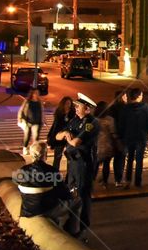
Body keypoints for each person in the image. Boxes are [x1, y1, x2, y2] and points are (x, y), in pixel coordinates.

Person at [14, 141, 82, 236]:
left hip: (27, 210)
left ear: (31, 155)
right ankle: (73, 232)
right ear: (45, 155)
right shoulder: (51, 171)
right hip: (46, 210)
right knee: (77, 202)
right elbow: (65, 194)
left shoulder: (21, 171)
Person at [56, 95, 100, 231]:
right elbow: (57, 136)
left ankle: (83, 225)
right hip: (72, 162)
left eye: (78, 106)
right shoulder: (75, 120)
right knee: (70, 191)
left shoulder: (91, 123)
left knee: (83, 193)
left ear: (87, 109)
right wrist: (65, 134)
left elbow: (76, 142)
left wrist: (67, 136)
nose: (75, 108)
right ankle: (71, 222)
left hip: (84, 163)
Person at [117, 87, 148, 188]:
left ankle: (128, 180)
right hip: (141, 137)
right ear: (138, 96)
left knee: (130, 159)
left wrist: (120, 136)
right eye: (141, 95)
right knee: (139, 160)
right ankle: (138, 181)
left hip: (129, 137)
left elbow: (121, 123)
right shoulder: (145, 107)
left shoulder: (126, 108)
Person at [95, 101, 124, 188]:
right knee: (106, 164)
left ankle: (92, 179)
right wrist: (118, 142)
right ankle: (105, 181)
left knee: (95, 164)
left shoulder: (94, 120)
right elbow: (113, 133)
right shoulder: (110, 119)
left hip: (97, 145)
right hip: (107, 144)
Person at [47, 97, 76, 171]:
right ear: (63, 104)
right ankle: (55, 175)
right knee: (57, 157)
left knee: (69, 157)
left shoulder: (73, 113)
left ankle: (68, 177)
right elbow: (56, 126)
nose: (68, 105)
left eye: (69, 103)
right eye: (66, 103)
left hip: (69, 137)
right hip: (60, 137)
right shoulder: (59, 113)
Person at [17, 89, 44, 155]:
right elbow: (21, 110)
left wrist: (43, 120)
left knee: (36, 137)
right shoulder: (27, 101)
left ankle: (34, 150)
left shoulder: (39, 102)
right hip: (28, 122)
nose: (37, 94)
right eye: (35, 93)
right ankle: (25, 148)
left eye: (38, 93)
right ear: (32, 94)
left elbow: (42, 112)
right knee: (27, 136)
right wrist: (19, 118)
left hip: (36, 122)